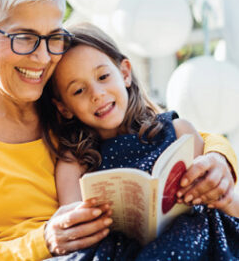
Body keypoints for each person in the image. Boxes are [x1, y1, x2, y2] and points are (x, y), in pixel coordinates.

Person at [0, 0, 237, 260]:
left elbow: (173, 133)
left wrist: (219, 158)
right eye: (24, 38)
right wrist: (43, 240)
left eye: (53, 37)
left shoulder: (68, 103)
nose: (42, 58)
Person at [39, 23, 239, 260]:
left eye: (103, 76)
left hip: (199, 244)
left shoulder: (178, 130)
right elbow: (76, 237)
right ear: (64, 108)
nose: (97, 94)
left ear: (124, 73)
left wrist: (222, 197)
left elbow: (229, 206)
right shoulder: (74, 163)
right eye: (79, 91)